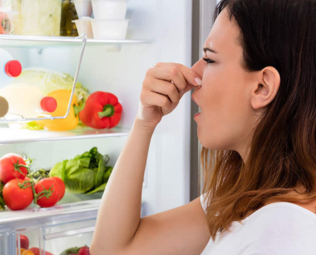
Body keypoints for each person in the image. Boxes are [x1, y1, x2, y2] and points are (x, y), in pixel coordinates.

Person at [90, 0, 316, 254]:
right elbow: (114, 249)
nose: (193, 77)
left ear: (262, 87)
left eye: (209, 59)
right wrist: (145, 122)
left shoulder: (283, 233)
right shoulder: (248, 196)